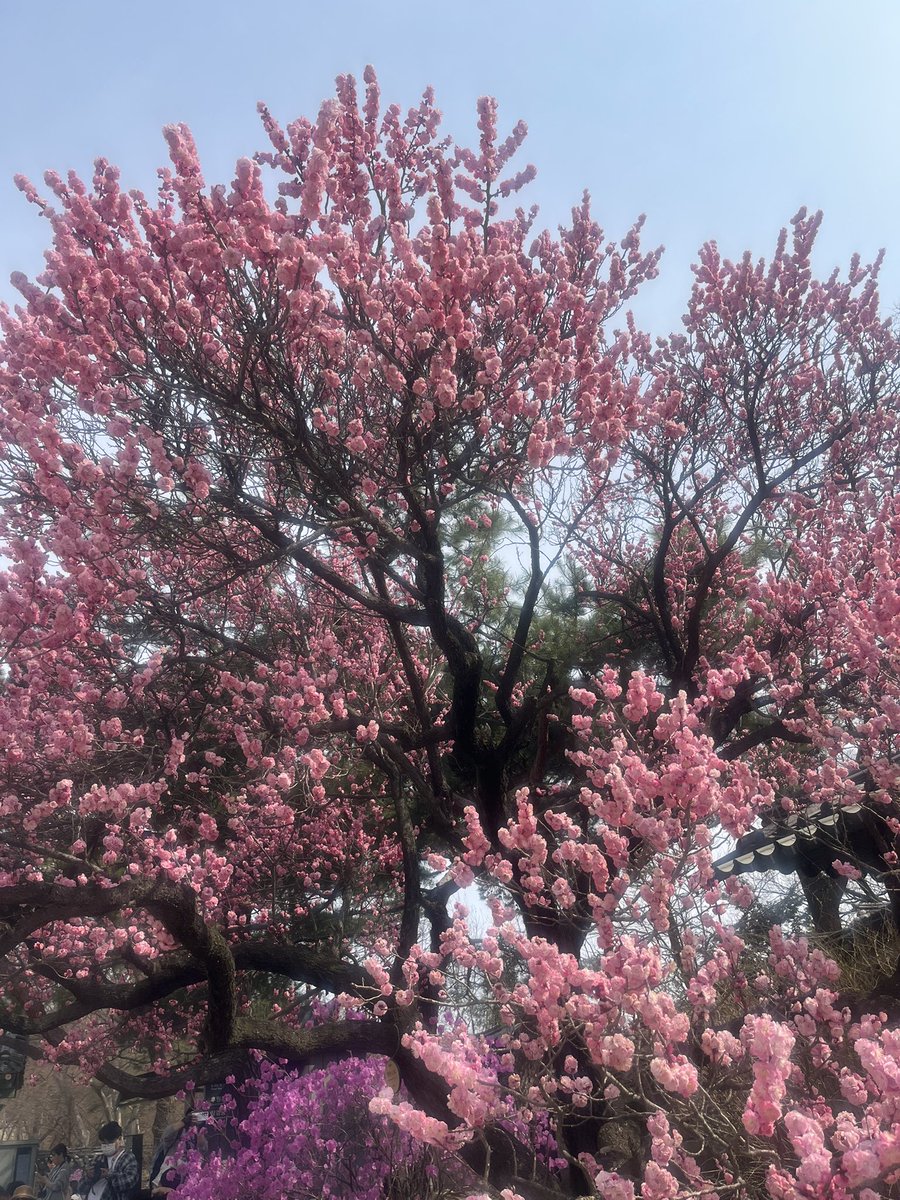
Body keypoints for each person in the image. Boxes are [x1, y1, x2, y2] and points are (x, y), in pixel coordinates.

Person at [93, 1125, 138, 1200]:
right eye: (104, 1143)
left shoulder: (128, 1158)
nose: (106, 1146)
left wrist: (109, 1175)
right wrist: (89, 1176)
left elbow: (129, 1182)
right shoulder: (98, 1159)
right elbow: (82, 1187)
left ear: (120, 1139)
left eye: (110, 1142)